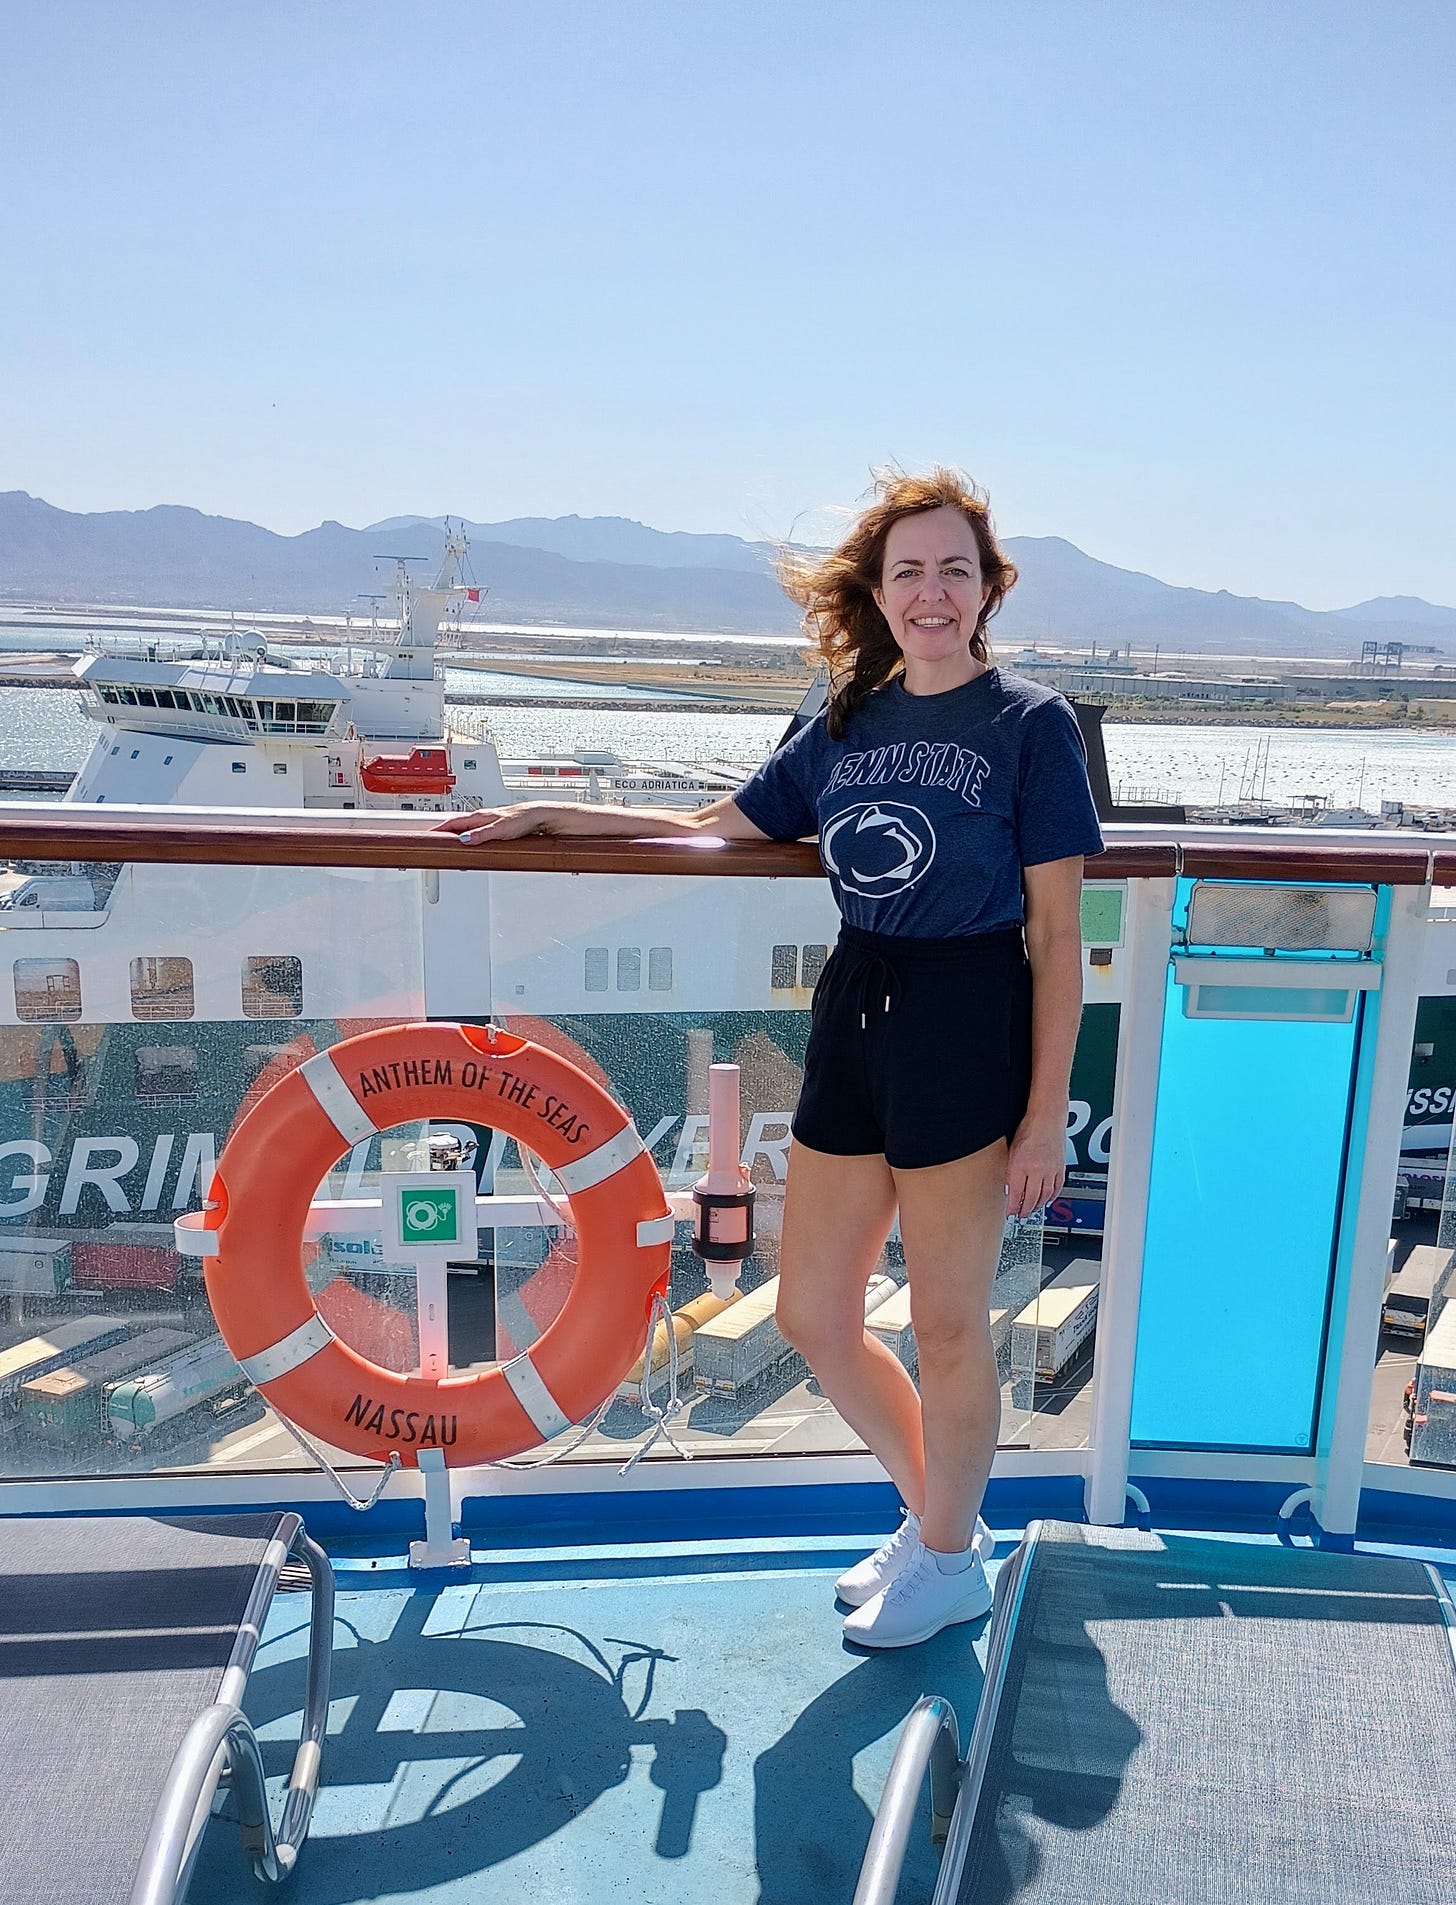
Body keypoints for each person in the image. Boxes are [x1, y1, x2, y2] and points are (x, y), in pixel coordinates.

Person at [435, 468, 1103, 1647]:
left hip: (967, 1015)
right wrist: (550, 818)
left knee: (947, 1327)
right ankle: (940, 1521)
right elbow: (712, 829)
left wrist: (1044, 1113)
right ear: (880, 593)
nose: (931, 592)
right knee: (810, 1312)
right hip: (855, 1007)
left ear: (988, 589)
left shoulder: (1029, 727)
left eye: (955, 569)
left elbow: (1058, 937)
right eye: (908, 572)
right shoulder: (844, 717)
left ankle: (948, 1557)